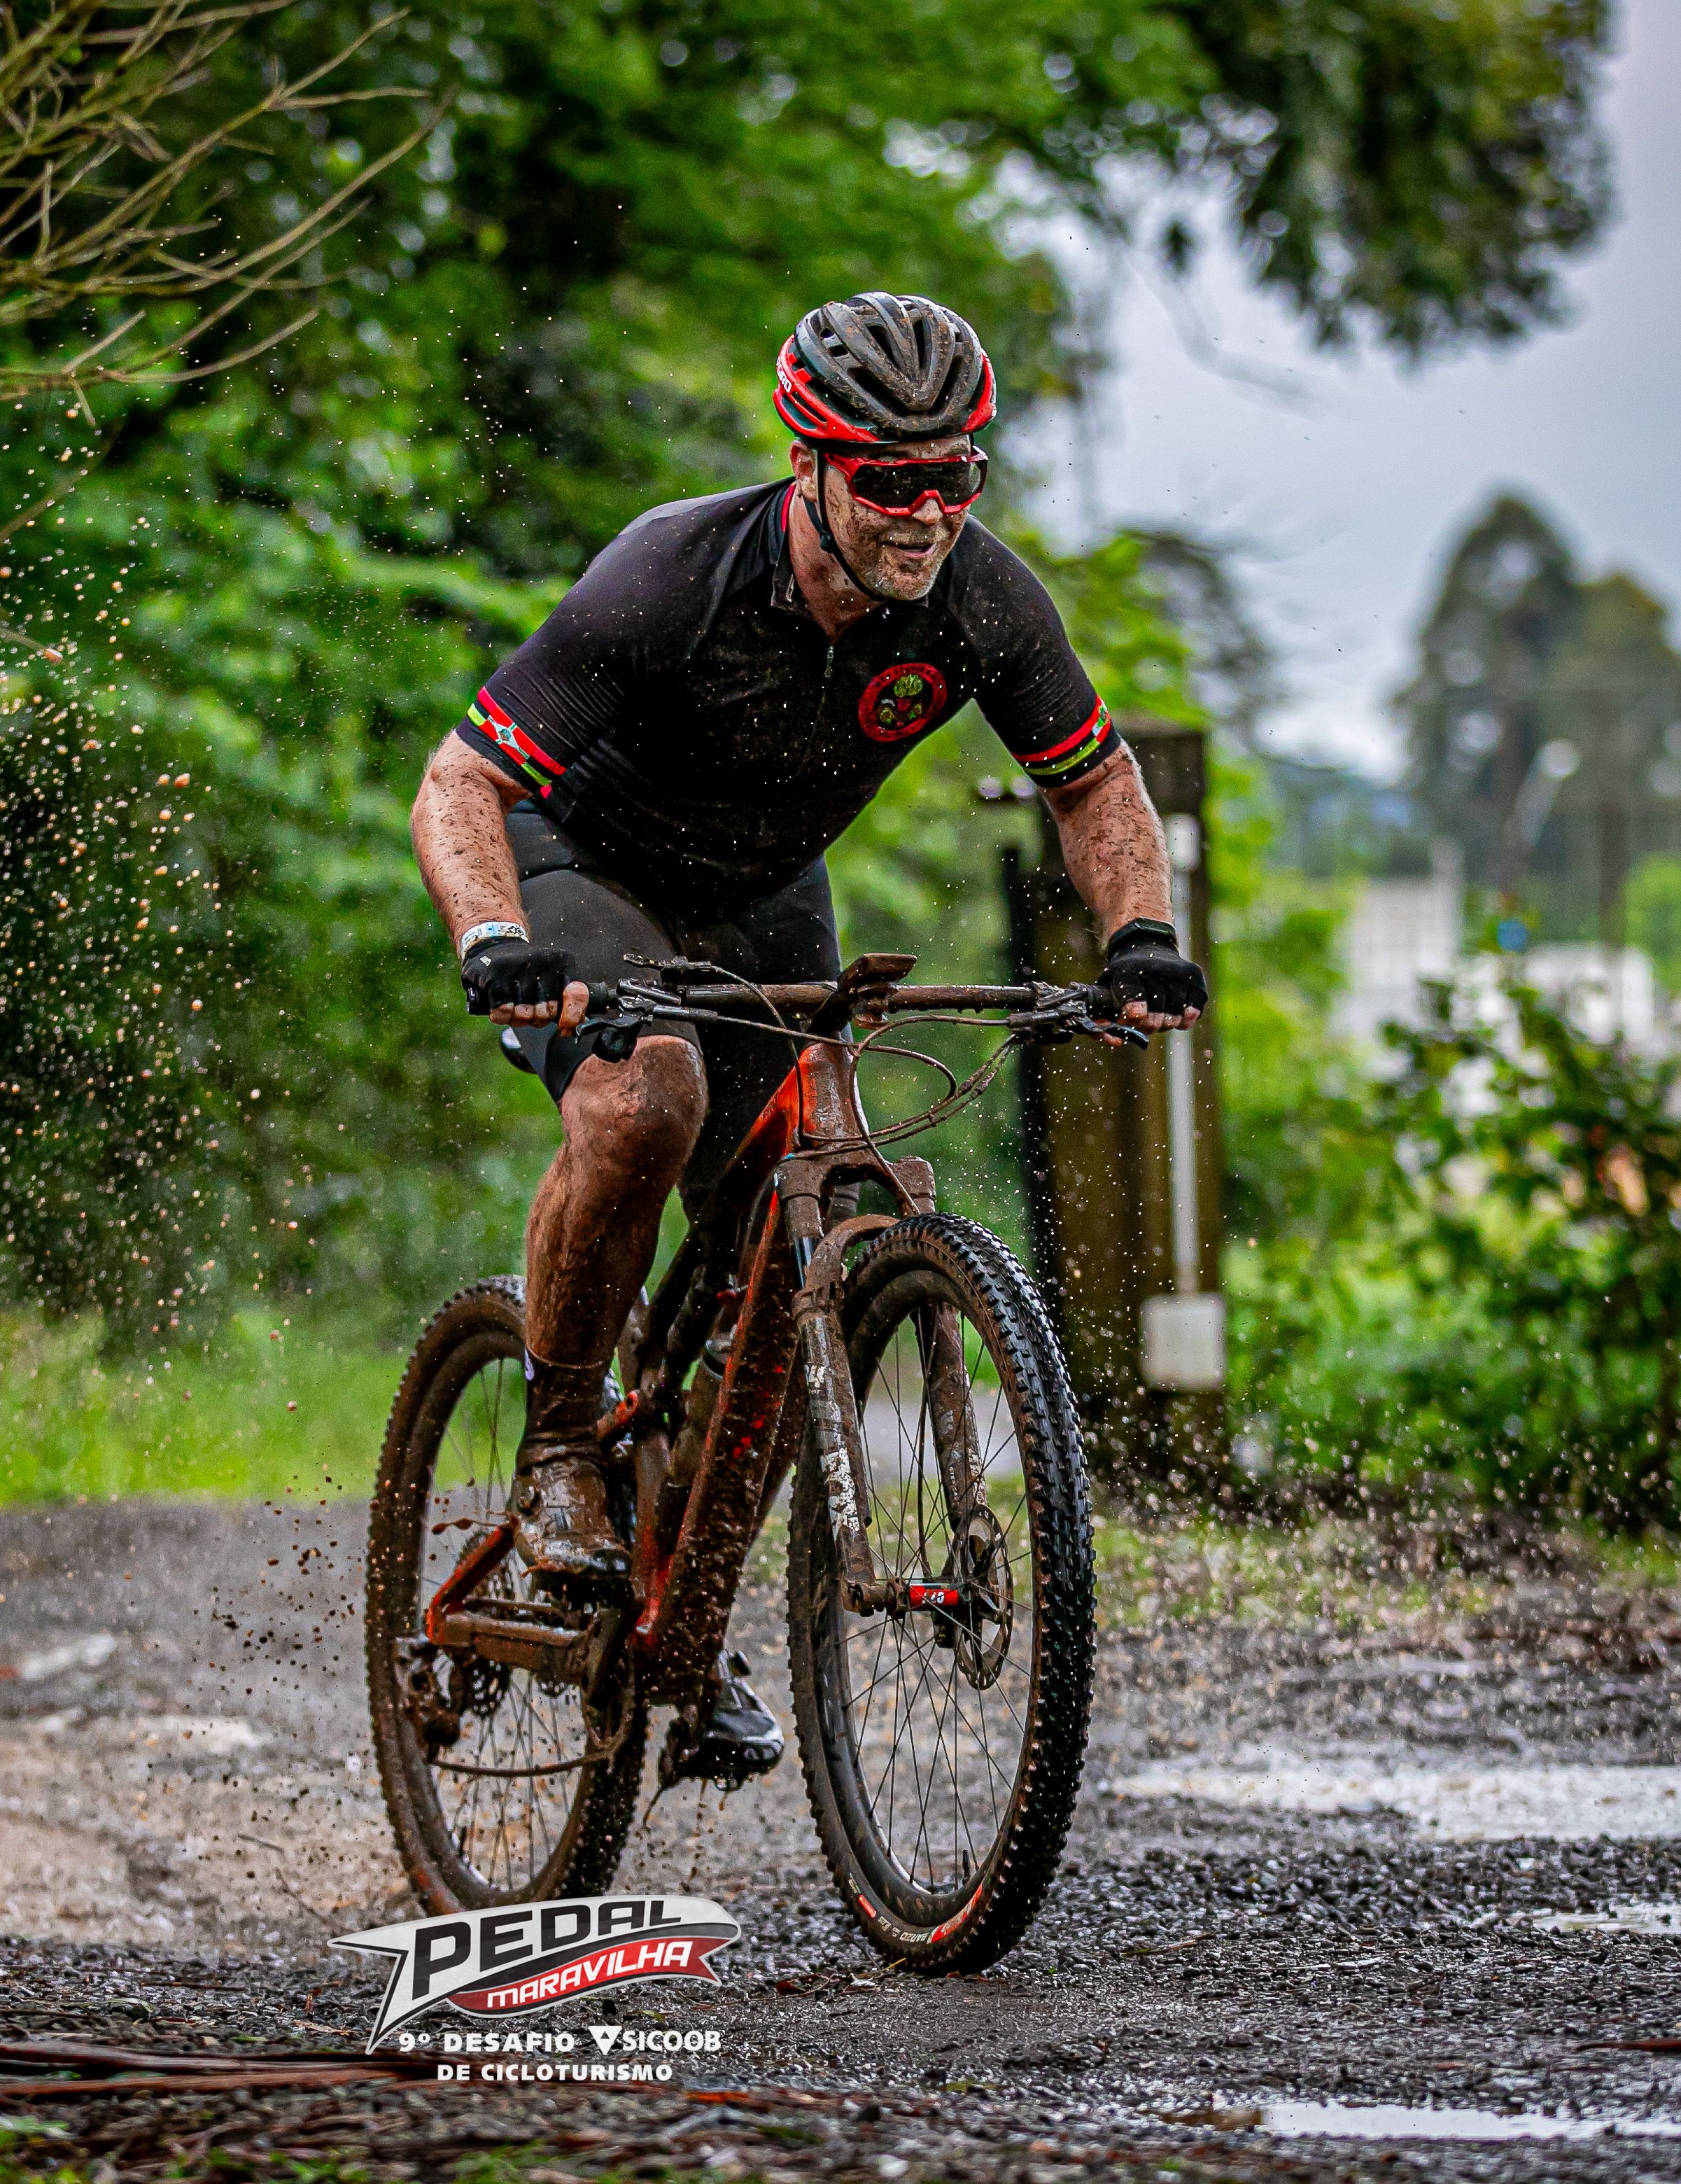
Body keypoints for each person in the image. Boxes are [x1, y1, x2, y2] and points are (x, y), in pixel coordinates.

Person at [406, 293, 1206, 1775]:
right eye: (890, 479)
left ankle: (685, 1619)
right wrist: (496, 941)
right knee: (645, 1106)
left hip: (767, 896)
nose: (927, 513)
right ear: (809, 465)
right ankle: (563, 1448)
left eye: (954, 475)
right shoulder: (672, 576)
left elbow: (1095, 783)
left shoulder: (982, 602)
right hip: (582, 866)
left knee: (805, 1244)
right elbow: (460, 783)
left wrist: (1140, 939)